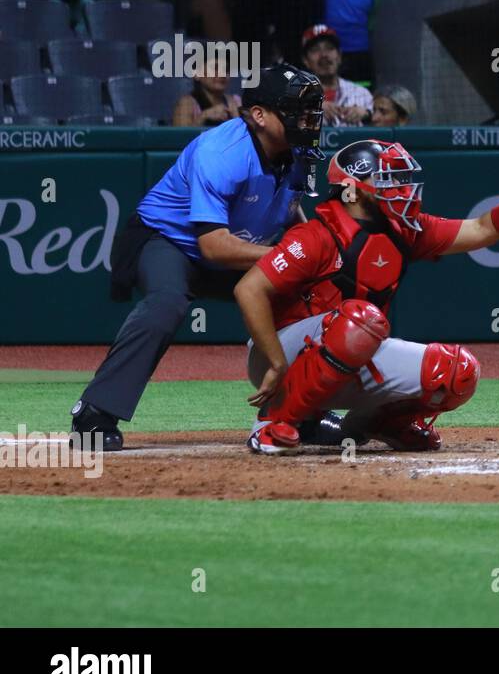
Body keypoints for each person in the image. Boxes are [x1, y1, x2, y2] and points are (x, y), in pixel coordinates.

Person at [237, 135, 499, 453]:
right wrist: (277, 362)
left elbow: (482, 229)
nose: (402, 188)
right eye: (387, 180)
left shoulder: (404, 230)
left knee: (457, 372)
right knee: (360, 320)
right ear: (352, 190)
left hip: (352, 346)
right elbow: (249, 289)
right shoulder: (317, 235)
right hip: (279, 356)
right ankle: (273, 419)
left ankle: (380, 423)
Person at [69, 65, 325, 452]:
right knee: (167, 302)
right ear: (259, 115)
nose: (308, 118)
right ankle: (94, 413)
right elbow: (213, 247)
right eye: (296, 109)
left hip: (238, 247)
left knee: (311, 292)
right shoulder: (221, 153)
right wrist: (285, 256)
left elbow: (291, 210)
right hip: (168, 240)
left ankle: (302, 410)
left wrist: (307, 255)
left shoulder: (300, 150)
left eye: (312, 109)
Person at [301, 24, 372, 126]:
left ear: (339, 56)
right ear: (306, 61)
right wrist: (311, 108)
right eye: (315, 50)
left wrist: (367, 115)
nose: (324, 55)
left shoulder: (362, 94)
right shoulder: (296, 96)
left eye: (329, 48)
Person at [172, 51, 240, 127]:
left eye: (226, 69)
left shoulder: (235, 102)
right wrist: (204, 116)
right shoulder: (186, 104)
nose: (222, 74)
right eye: (215, 68)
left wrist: (237, 119)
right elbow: (180, 137)